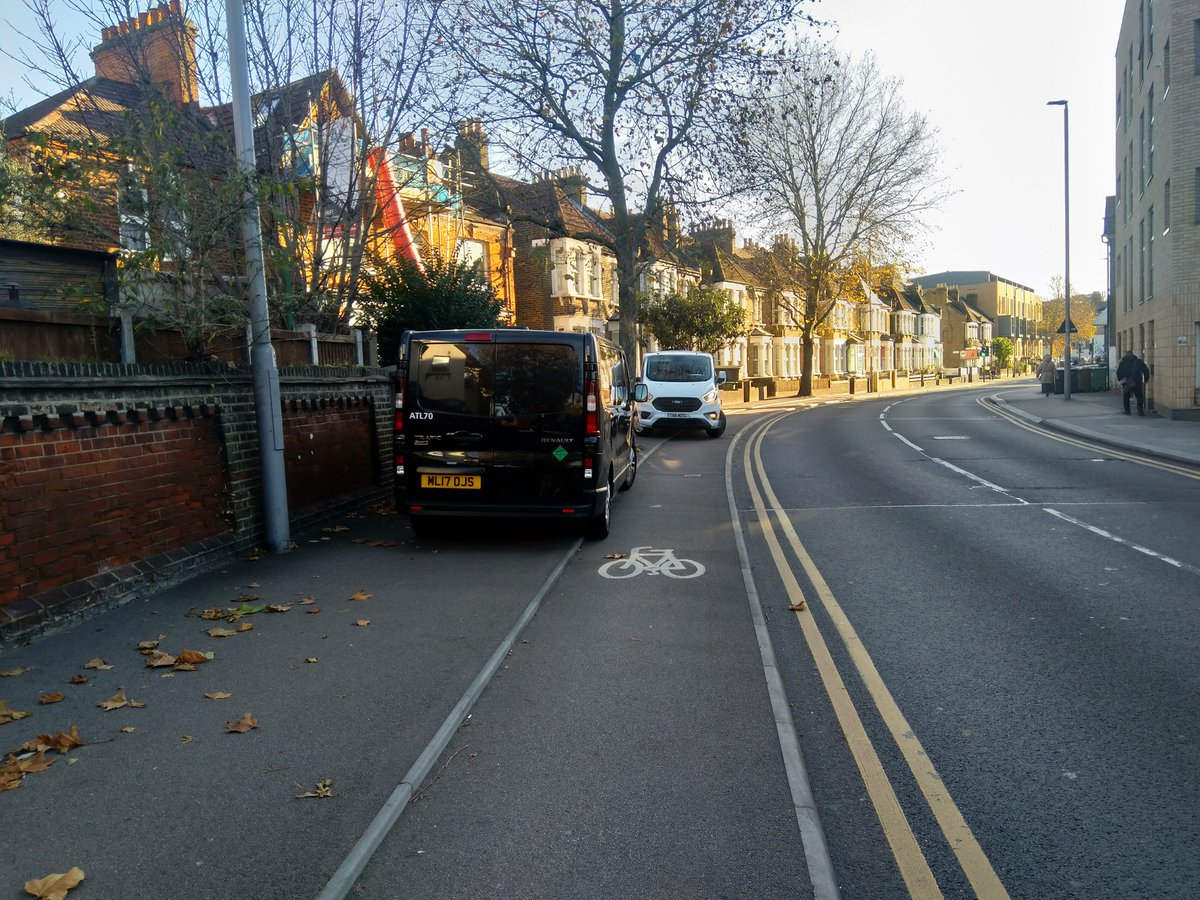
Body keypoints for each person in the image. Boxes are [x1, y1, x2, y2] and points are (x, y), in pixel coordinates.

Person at [1115, 349, 1151, 415]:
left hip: (1127, 383)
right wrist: (1146, 379)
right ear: (1133, 354)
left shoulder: (1123, 362)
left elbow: (1118, 372)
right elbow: (1145, 370)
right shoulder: (1138, 361)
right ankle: (1140, 411)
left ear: (1126, 355)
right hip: (1137, 382)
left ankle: (1127, 411)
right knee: (1139, 396)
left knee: (1126, 397)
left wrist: (1121, 381)